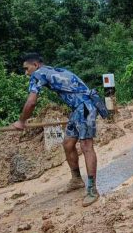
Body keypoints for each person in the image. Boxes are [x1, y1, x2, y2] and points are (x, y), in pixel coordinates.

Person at [12, 53, 101, 207]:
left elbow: (32, 102)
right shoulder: (53, 70)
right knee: (67, 144)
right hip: (79, 109)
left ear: (36, 65)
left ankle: (92, 190)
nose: (26, 73)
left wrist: (21, 121)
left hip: (85, 108)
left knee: (86, 147)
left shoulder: (38, 74)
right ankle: (76, 180)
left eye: (27, 69)